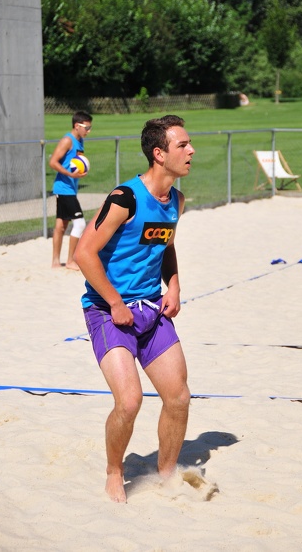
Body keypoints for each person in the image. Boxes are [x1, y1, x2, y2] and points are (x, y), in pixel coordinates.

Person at [74, 115, 194, 503]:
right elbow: (83, 253)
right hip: (107, 311)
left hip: (151, 309)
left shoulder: (175, 199)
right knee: (129, 401)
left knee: (178, 397)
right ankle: (114, 472)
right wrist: (113, 302)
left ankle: (166, 473)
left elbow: (165, 245)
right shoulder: (124, 198)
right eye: (182, 146)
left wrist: (173, 285)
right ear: (159, 154)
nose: (191, 151)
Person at [49, 111, 92, 270]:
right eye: (86, 127)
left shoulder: (80, 141)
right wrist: (69, 173)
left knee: (61, 225)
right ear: (76, 125)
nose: (88, 131)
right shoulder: (68, 140)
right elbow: (53, 162)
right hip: (63, 188)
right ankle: (70, 261)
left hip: (70, 189)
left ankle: (55, 262)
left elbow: (75, 162)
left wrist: (80, 172)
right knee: (80, 224)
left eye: (90, 128)